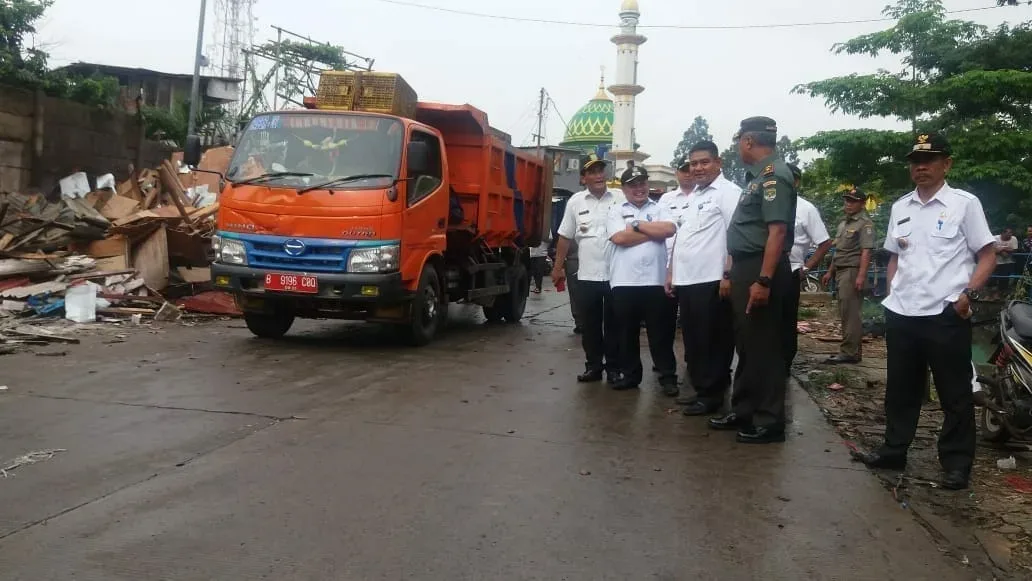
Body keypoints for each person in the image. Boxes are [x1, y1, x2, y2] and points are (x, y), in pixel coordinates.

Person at [854, 132, 995, 491]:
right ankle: (894, 449)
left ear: (946, 164)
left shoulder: (964, 204)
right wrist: (891, 293)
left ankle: (956, 464)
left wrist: (967, 295)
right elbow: (894, 256)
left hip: (945, 313)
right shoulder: (901, 207)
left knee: (955, 393)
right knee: (901, 389)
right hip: (903, 313)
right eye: (915, 162)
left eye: (929, 160)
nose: (921, 167)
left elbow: (987, 254)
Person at [708, 116, 796, 445]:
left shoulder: (775, 177)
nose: (737, 147)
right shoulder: (758, 177)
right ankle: (744, 409)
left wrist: (763, 280)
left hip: (761, 267)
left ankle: (770, 421)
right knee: (747, 344)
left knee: (766, 346)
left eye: (737, 142)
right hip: (747, 266)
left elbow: (777, 232)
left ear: (747, 141)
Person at [664, 141, 740, 415]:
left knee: (713, 341)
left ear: (718, 163)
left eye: (704, 162)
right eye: (693, 163)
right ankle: (700, 389)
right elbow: (682, 238)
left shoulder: (728, 193)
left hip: (712, 280)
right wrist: (672, 272)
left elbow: (736, 236)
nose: (698, 168)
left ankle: (712, 396)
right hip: (688, 280)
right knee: (694, 340)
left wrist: (727, 274)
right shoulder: (695, 196)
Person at [553, 153, 625, 384]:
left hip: (616, 275)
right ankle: (594, 367)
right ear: (583, 178)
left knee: (614, 325)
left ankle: (614, 369)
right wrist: (557, 268)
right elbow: (564, 237)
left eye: (600, 171)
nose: (598, 175)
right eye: (592, 172)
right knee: (590, 326)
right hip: (586, 275)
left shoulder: (620, 197)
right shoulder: (575, 202)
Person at [606, 165, 679, 393]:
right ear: (625, 188)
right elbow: (619, 237)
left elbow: (668, 230)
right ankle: (630, 376)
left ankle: (667, 376)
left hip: (656, 281)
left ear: (647, 184)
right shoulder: (615, 210)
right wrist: (652, 233)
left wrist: (637, 226)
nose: (638, 189)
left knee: (661, 333)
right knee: (627, 334)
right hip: (624, 282)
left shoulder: (661, 207)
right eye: (633, 185)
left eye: (642, 183)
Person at [786, 163, 832, 373]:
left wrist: (807, 267)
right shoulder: (764, 203)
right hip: (763, 272)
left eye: (789, 178)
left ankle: (784, 363)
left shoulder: (805, 209)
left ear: (796, 182)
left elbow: (824, 243)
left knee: (785, 320)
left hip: (791, 271)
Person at [821, 188, 876, 364]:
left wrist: (861, 276)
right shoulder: (844, 224)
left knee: (851, 313)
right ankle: (851, 351)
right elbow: (838, 250)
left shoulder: (864, 224)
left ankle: (849, 352)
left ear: (861, 203)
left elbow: (866, 252)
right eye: (846, 200)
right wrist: (830, 271)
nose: (848, 204)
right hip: (841, 270)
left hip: (852, 271)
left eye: (852, 201)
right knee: (845, 312)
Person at [658, 156, 697, 390]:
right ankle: (666, 369)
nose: (688, 173)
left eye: (690, 169)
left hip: (694, 269)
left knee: (693, 322)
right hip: (667, 268)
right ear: (677, 173)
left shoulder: (705, 196)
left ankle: (694, 364)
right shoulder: (665, 199)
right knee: (664, 322)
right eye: (683, 170)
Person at [992, 227, 1019, 293]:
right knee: (993, 279)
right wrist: (1002, 251)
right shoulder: (995, 238)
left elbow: (1014, 249)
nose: (1010, 234)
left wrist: (1001, 249)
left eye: (1011, 233)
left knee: (1005, 278)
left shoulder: (1013, 238)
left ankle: (1003, 293)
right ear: (1002, 233)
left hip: (1008, 262)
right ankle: (992, 294)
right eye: (1008, 233)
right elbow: (991, 250)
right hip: (995, 261)